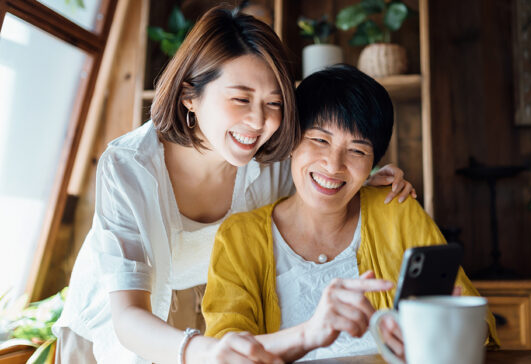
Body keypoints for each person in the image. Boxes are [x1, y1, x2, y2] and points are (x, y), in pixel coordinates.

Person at [52, 6, 415, 364]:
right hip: (119, 323)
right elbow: (128, 318)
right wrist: (204, 349)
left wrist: (367, 181)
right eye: (241, 99)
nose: (259, 121)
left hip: (212, 317)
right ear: (189, 95)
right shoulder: (128, 166)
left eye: (273, 103)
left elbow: (323, 174)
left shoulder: (270, 163)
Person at [202, 65, 500, 363]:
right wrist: (308, 333)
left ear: (373, 161)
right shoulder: (239, 237)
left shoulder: (396, 212)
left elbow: (478, 318)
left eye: (357, 151)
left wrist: (447, 327)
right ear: (291, 140)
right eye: (320, 140)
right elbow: (224, 350)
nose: (333, 166)